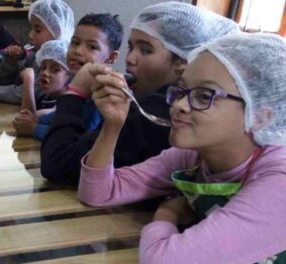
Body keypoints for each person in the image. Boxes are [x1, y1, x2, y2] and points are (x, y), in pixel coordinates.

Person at [80, 32, 286, 264]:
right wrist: (113, 124)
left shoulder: (280, 180)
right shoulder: (194, 156)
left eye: (204, 95)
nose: (178, 105)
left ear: (259, 116)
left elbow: (164, 260)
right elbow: (98, 192)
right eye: (181, 90)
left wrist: (168, 213)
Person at [40, 2, 240, 186]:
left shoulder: (157, 110)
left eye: (145, 50)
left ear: (182, 61)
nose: (130, 59)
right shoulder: (145, 99)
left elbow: (57, 164)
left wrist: (76, 93)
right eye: (131, 47)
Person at [13, 13, 123, 141]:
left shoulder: (103, 94)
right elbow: (62, 115)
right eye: (75, 43)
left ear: (111, 57)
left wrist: (34, 128)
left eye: (92, 47)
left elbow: (77, 137)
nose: (78, 51)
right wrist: (38, 120)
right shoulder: (79, 84)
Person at [0, 0, 75, 104]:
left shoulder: (57, 63)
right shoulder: (35, 56)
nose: (30, 35)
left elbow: (24, 93)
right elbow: (7, 82)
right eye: (31, 28)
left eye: (38, 30)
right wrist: (11, 61)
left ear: (58, 31)